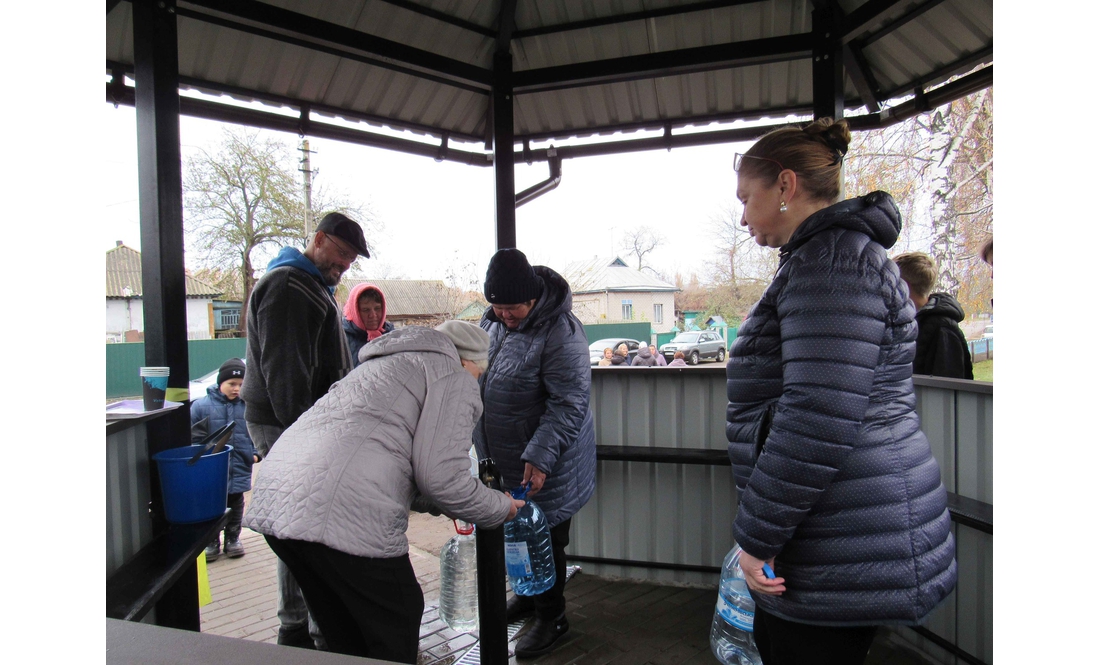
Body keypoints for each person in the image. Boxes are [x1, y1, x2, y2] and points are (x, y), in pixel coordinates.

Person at [725, 118, 956, 665]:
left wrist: (757, 537)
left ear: (785, 186)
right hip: (837, 520)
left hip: (838, 526)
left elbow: (818, 415)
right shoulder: (829, 258)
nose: (741, 216)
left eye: (746, 198)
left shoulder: (830, 264)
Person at [244, 321, 523, 662]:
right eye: (479, 374)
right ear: (469, 362)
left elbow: (403, 461)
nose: (475, 382)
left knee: (343, 626)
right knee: (398, 615)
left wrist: (448, 502)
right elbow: (441, 478)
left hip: (279, 500)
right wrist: (498, 506)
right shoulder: (452, 375)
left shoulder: (381, 365)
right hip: (342, 508)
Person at [241, 211, 370, 650]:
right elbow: (286, 372)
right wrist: (306, 436)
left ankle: (298, 626)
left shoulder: (309, 284)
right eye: (341, 253)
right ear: (318, 240)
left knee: (294, 525)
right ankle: (308, 631)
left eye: (351, 258)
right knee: (304, 527)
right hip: (286, 425)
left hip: (296, 424)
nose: (345, 264)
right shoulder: (289, 286)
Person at [474, 248, 596, 659]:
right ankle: (528, 598)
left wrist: (541, 456)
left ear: (532, 299)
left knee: (546, 538)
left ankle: (552, 616)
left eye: (513, 308)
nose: (505, 315)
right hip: (504, 458)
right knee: (515, 533)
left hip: (549, 461)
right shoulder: (491, 324)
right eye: (498, 307)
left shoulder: (561, 330)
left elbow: (570, 401)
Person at [191, 358, 258, 561]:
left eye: (241, 384)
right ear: (220, 383)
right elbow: (194, 437)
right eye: (231, 384)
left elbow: (256, 430)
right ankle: (211, 541)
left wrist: (256, 453)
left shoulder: (249, 406)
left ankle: (233, 539)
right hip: (211, 468)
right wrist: (201, 458)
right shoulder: (201, 407)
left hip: (239, 465)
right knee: (212, 505)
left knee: (236, 503)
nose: (236, 389)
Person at [894, 252, 974, 380]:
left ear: (904, 285)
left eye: (892, 281)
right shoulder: (906, 322)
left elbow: (946, 389)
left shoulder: (943, 329)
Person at [343, 282, 394, 366]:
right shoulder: (342, 338)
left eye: (377, 308)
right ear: (355, 312)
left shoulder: (392, 336)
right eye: (366, 310)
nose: (373, 315)